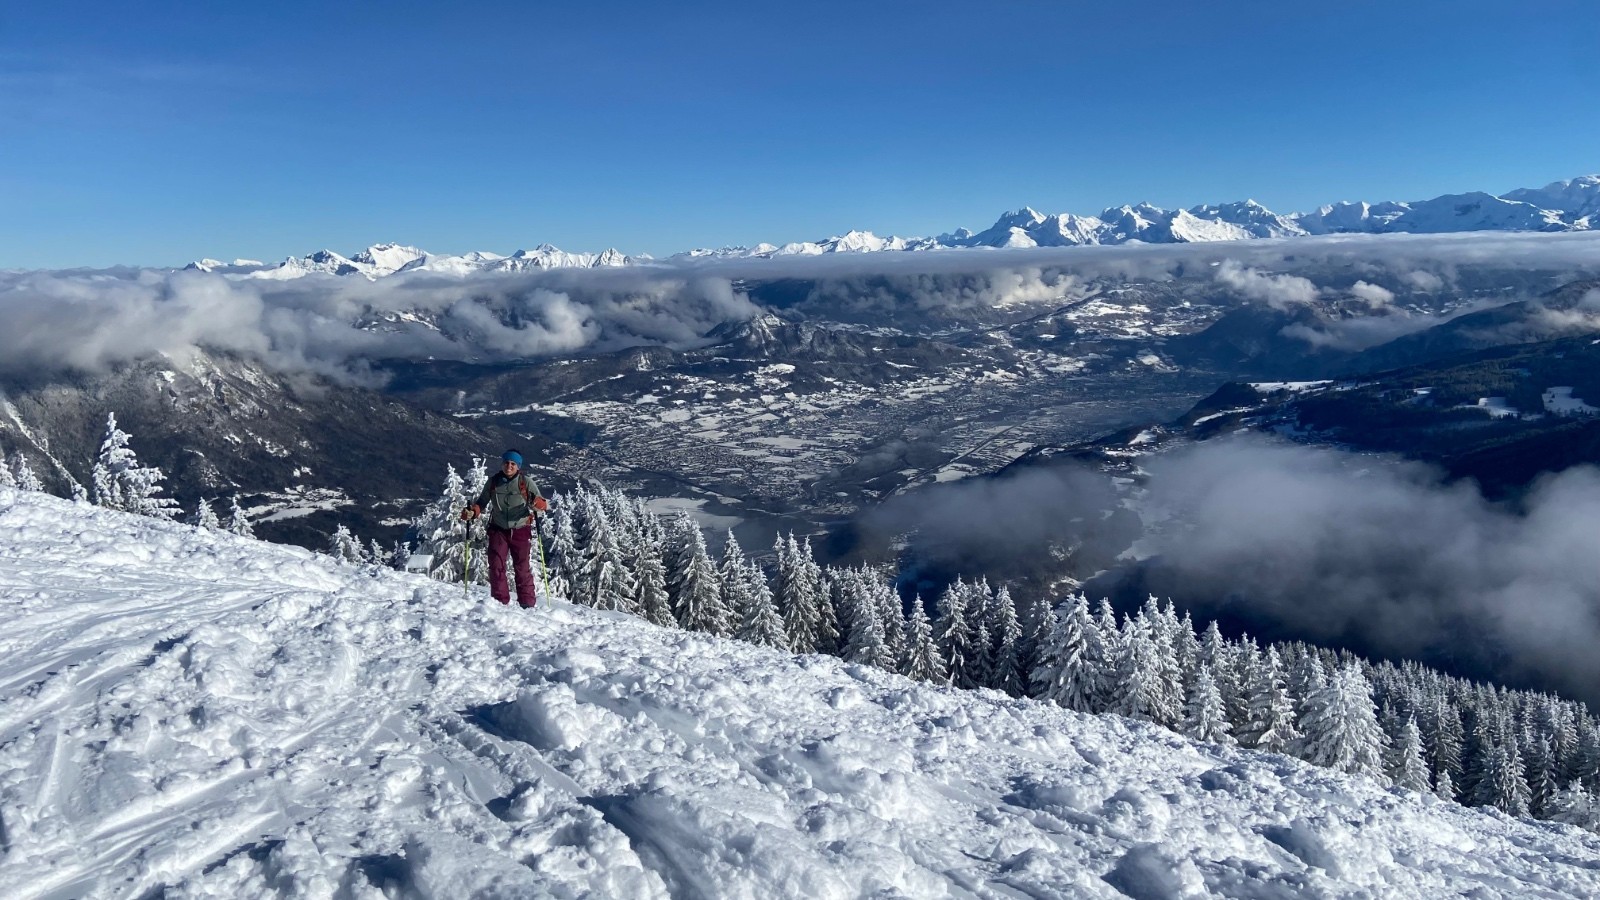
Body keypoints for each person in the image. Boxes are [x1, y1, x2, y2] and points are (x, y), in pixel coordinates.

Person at [461, 450, 548, 608]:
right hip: (498, 529)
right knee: (496, 565)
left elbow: (542, 503)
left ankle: (527, 604)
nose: (509, 466)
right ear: (502, 463)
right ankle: (500, 603)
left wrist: (537, 503)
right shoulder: (493, 482)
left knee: (522, 567)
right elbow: (482, 502)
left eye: (513, 464)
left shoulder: (525, 482)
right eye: (506, 462)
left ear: (518, 466)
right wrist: (473, 512)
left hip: (520, 529)